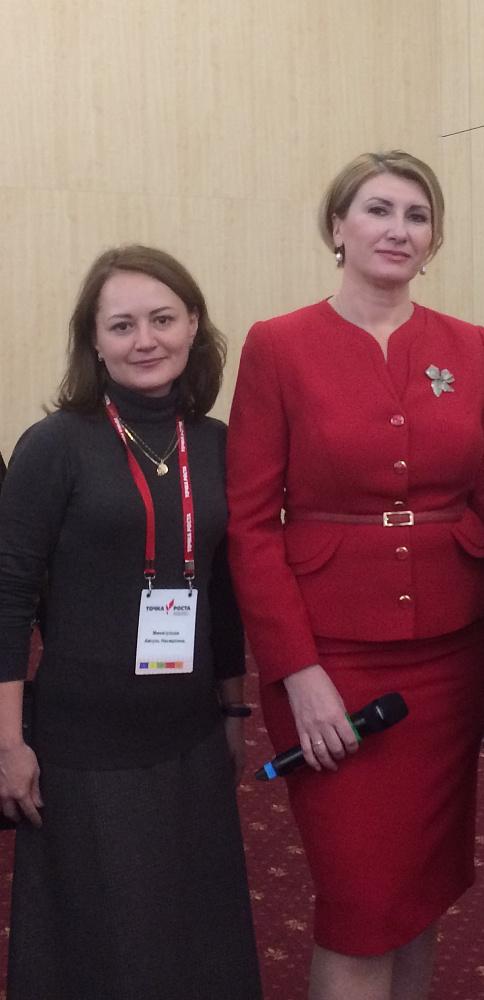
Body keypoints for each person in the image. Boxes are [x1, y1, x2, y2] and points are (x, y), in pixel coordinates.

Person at [226, 150, 484, 1000]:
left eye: (416, 216)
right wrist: (297, 672)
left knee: (421, 891)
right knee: (360, 901)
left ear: (433, 240)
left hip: (452, 656)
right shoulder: (278, 345)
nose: (398, 230)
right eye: (378, 210)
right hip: (330, 658)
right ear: (337, 227)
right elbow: (251, 526)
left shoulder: (468, 346)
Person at [0, 245, 263, 1000]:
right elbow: (8, 596)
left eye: (162, 319)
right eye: (121, 326)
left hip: (187, 732)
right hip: (84, 743)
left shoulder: (214, 443)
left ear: (193, 325)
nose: (144, 340)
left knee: (193, 936)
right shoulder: (56, 445)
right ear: (94, 340)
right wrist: (8, 743)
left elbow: (222, 590)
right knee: (104, 946)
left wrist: (232, 711)